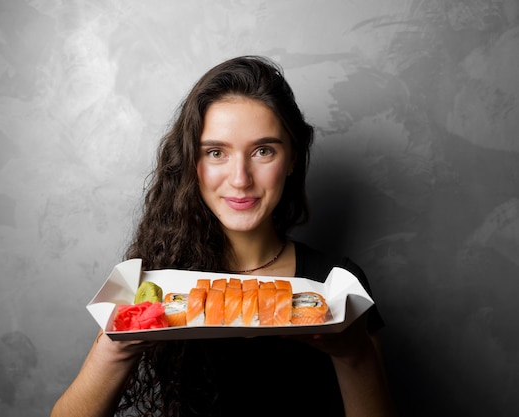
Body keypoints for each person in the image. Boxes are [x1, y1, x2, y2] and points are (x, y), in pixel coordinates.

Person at [51, 56, 395, 417]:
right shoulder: (154, 282)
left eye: (263, 150)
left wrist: (354, 354)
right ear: (190, 162)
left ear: (292, 157)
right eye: (216, 153)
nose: (240, 178)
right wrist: (118, 345)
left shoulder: (338, 284)